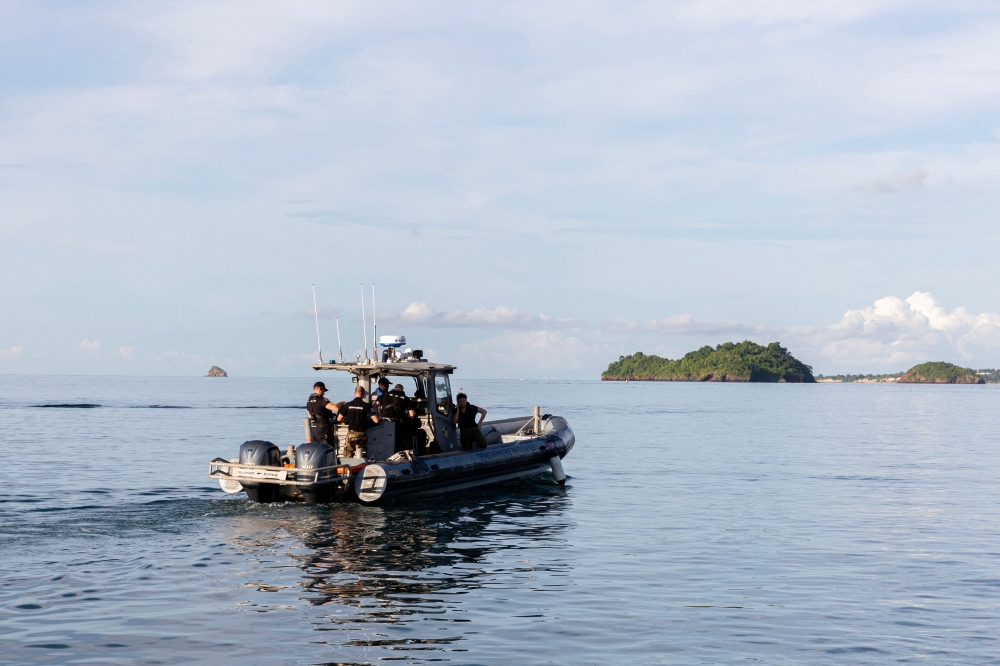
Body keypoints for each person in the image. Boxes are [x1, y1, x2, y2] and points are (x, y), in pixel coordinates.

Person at [337, 385, 379, 458]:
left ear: (354, 393)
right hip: (362, 435)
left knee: (348, 457)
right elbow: (376, 420)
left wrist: (347, 419)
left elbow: (338, 419)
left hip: (351, 435)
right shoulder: (367, 406)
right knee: (362, 457)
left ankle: (349, 468)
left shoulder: (347, 405)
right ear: (363, 394)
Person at [306, 381, 338, 446]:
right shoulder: (321, 400)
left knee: (315, 447)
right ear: (320, 389)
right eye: (324, 391)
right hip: (323, 429)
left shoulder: (309, 401)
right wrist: (340, 403)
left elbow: (309, 414)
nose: (324, 393)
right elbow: (336, 408)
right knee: (326, 447)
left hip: (314, 428)